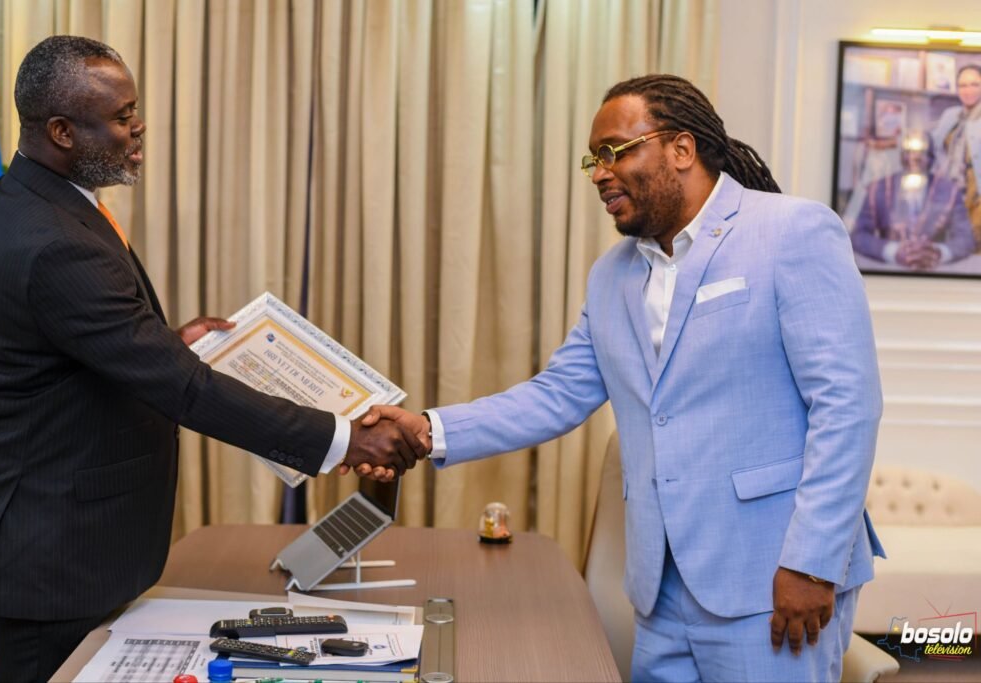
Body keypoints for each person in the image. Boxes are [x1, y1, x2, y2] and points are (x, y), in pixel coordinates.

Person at [358, 74, 885, 682]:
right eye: (594, 159)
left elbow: (847, 406)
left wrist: (812, 564)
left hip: (771, 580)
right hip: (660, 589)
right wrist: (428, 430)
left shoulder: (792, 231)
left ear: (681, 149)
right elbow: (557, 395)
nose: (599, 174)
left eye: (614, 152)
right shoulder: (612, 275)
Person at [0, 36, 424, 683]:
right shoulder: (51, 237)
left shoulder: (36, 201)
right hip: (53, 557)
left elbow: (76, 354)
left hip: (71, 543)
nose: (139, 126)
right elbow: (186, 390)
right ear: (62, 131)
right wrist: (346, 436)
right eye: (121, 116)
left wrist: (166, 343)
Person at [852, 138, 976, 269]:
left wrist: (936, 252)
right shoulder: (879, 188)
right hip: (888, 272)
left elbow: (966, 238)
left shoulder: (949, 190)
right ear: (901, 156)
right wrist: (894, 251)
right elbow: (859, 235)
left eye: (922, 152)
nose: (915, 158)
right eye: (909, 152)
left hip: (935, 272)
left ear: (932, 158)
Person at [930, 63, 981, 250]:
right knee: (950, 248)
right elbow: (933, 146)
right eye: (963, 85)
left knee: (974, 249)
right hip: (950, 194)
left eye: (975, 84)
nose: (968, 90)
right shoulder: (950, 115)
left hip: (976, 198)